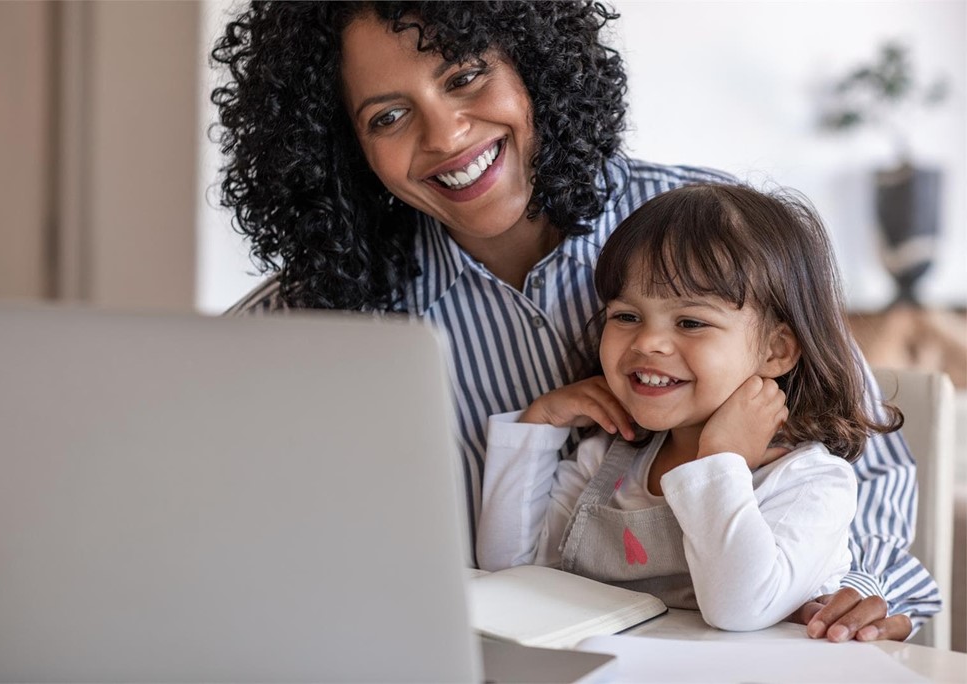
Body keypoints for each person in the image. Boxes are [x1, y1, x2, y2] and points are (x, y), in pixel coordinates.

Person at [211, 1, 938, 640]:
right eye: (388, 116)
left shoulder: (718, 235)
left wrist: (861, 590)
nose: (447, 133)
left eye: (465, 76)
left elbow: (865, 463)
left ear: (533, 65)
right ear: (346, 151)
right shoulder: (311, 319)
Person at [477, 182, 903, 631]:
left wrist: (722, 460)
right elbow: (510, 569)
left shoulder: (808, 482)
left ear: (776, 351)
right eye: (626, 316)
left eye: (691, 322)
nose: (648, 342)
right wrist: (539, 424)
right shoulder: (606, 461)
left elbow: (738, 609)